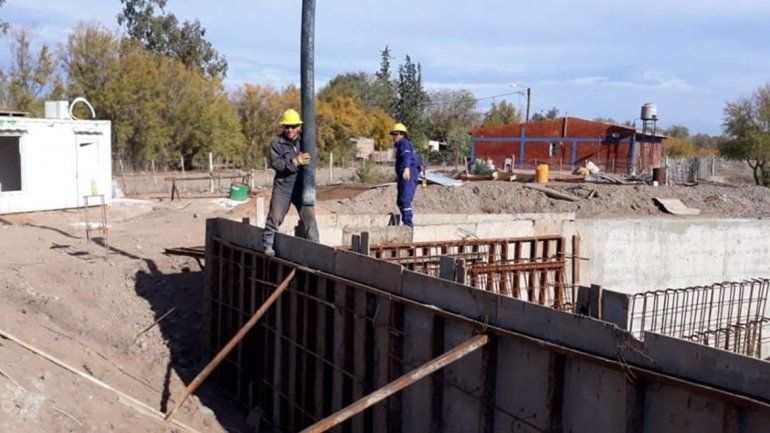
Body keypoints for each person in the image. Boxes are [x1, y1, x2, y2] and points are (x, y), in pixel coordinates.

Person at [261, 109, 319, 257]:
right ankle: (267, 246)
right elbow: (276, 164)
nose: (290, 130)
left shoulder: (305, 141)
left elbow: (313, 158)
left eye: (293, 126)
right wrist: (294, 162)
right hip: (283, 186)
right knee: (275, 216)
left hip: (301, 187)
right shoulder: (277, 143)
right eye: (287, 127)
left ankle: (316, 250)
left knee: (310, 220)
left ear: (299, 127)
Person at [391, 123, 421, 227]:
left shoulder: (404, 143)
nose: (393, 136)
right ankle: (406, 221)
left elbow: (406, 156)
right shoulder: (400, 145)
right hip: (403, 174)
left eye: (396, 134)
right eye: (393, 134)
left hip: (409, 174)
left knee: (405, 199)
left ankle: (408, 224)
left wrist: (407, 169)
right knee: (400, 201)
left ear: (402, 134)